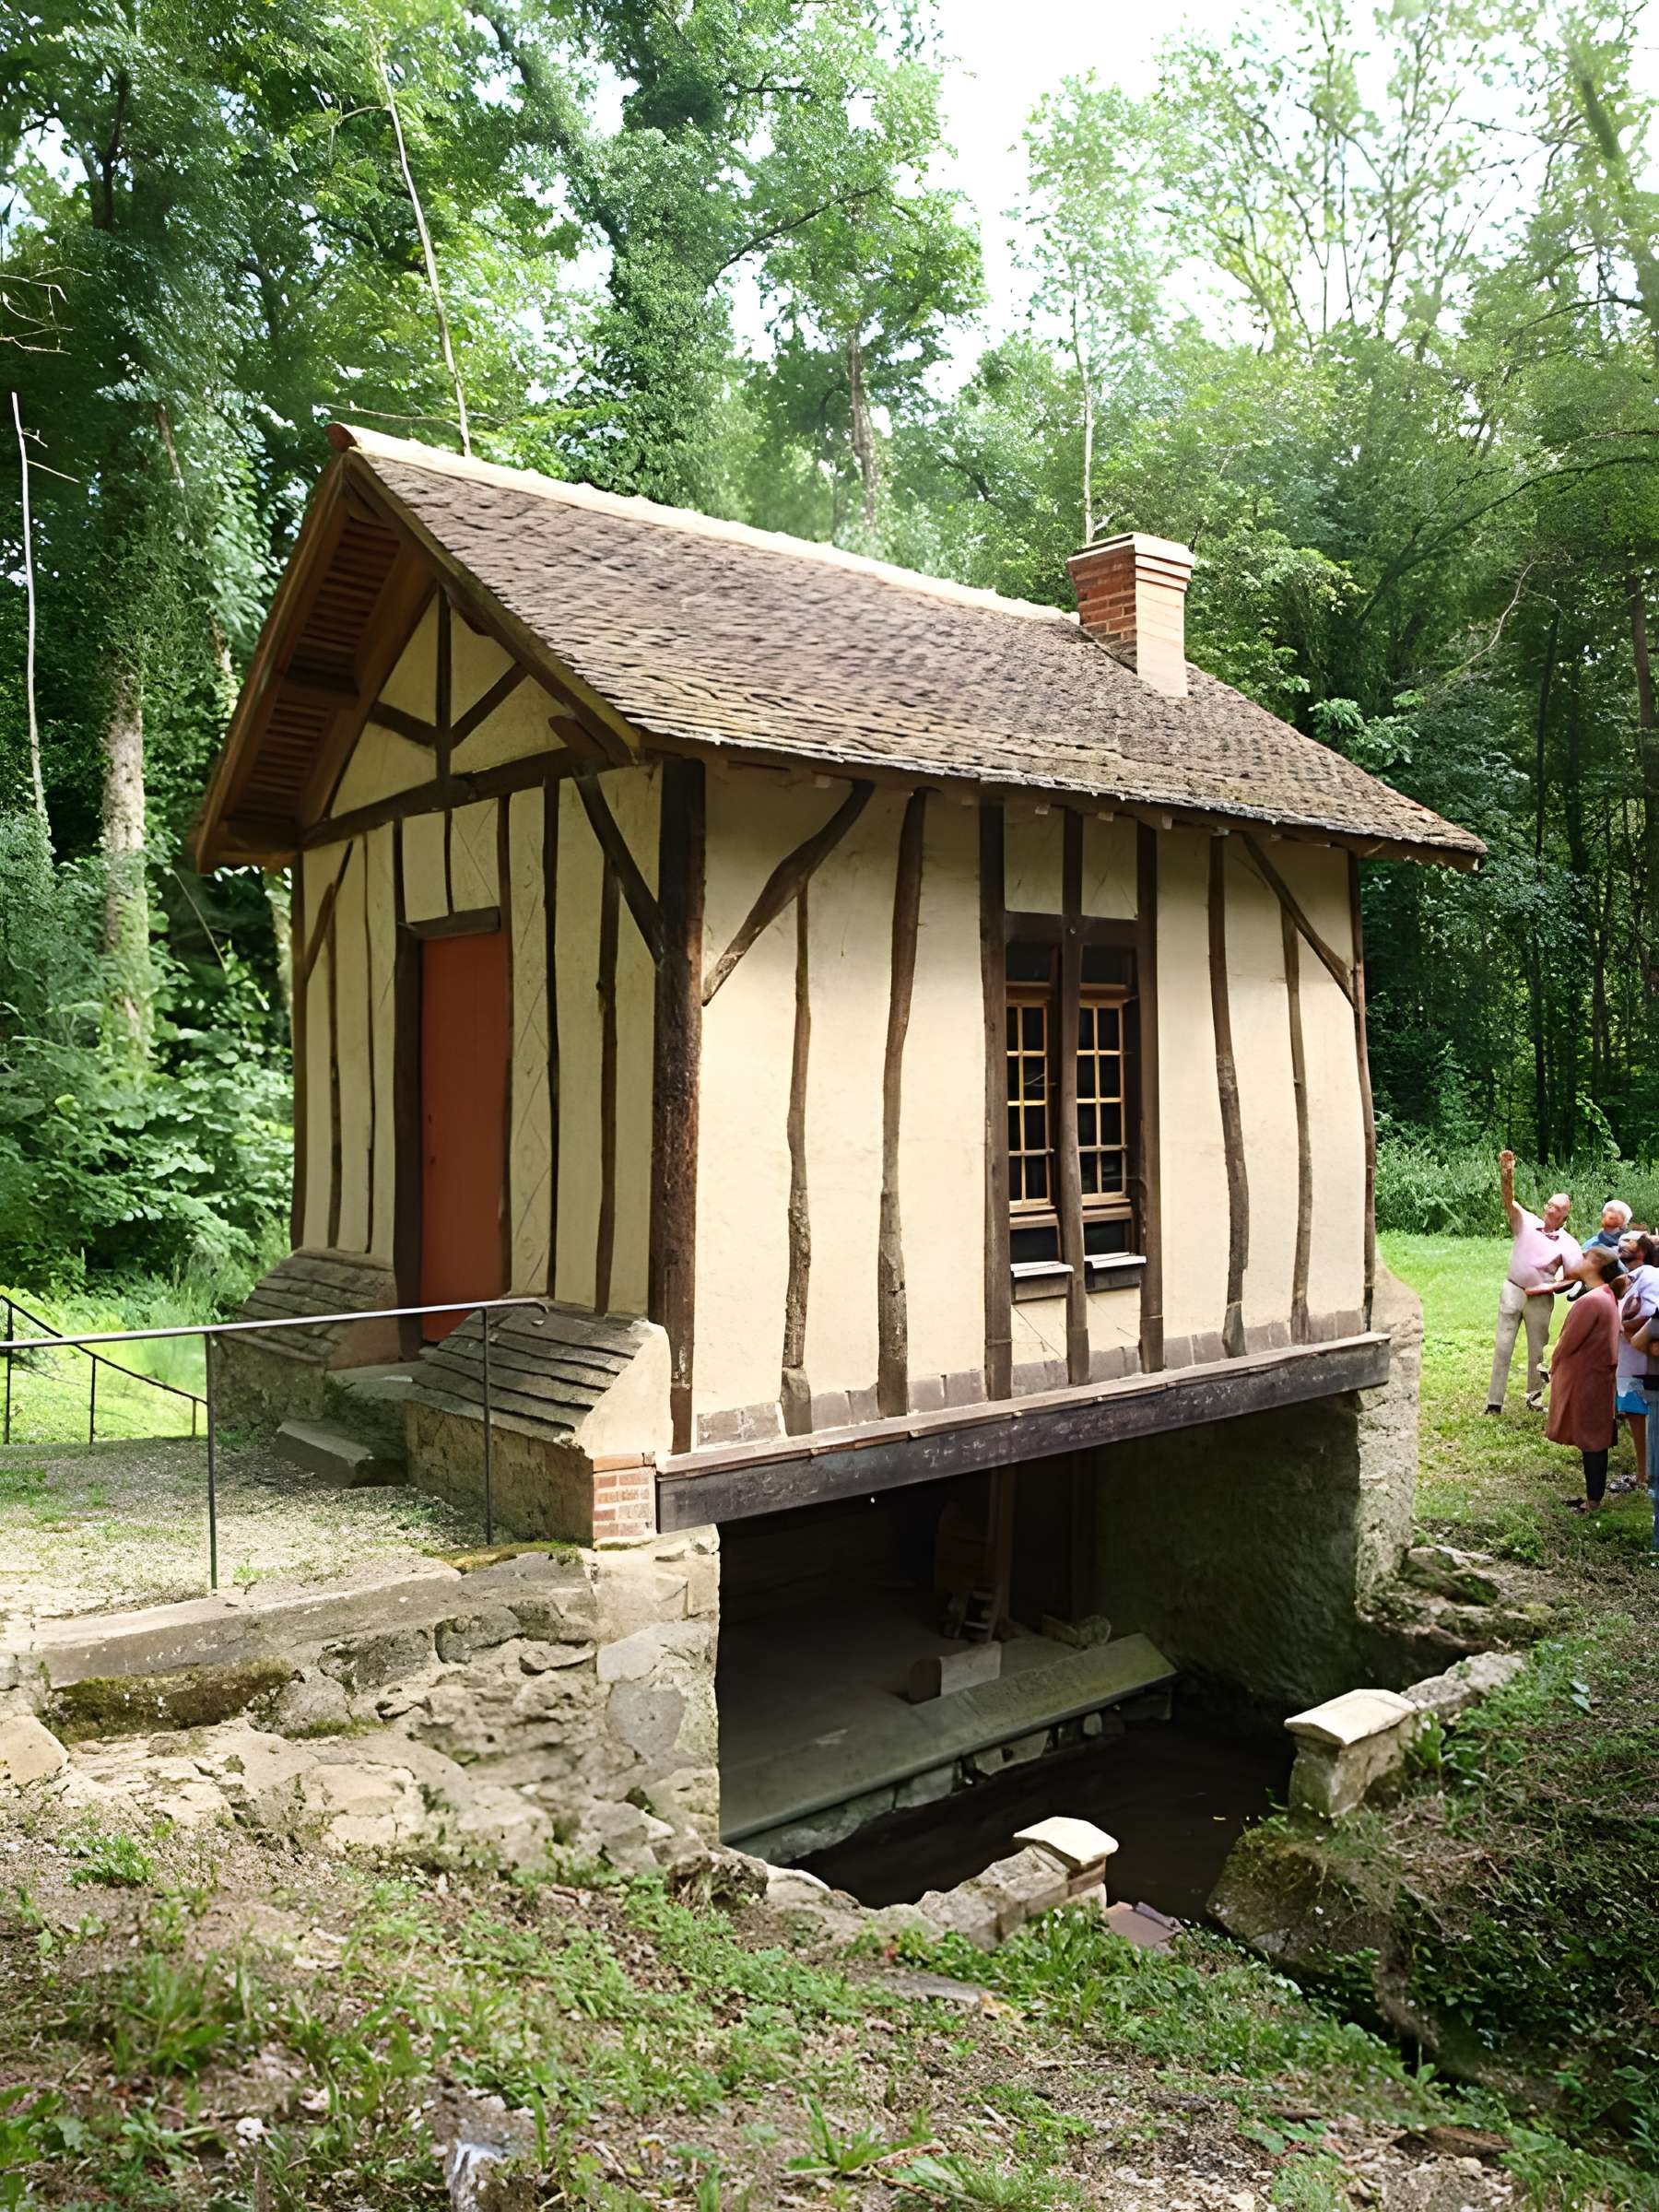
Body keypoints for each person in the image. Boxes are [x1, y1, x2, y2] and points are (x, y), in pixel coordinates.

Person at [1486, 1150, 1580, 1413]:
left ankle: (1534, 1399)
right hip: (1513, 1288)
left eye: (1557, 1208)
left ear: (1564, 1216)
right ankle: (1494, 1401)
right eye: (1549, 1204)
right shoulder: (1526, 1221)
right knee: (1503, 1344)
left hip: (1540, 1299)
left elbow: (1573, 1277)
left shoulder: (1568, 1243)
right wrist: (1507, 1173)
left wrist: (1548, 1287)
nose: (1550, 1209)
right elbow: (1508, 1200)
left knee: (1537, 1350)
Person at [1546, 1247, 1624, 1512]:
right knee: (1594, 1437)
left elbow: (1567, 1342)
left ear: (1595, 1265)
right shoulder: (1604, 1296)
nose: (1577, 1261)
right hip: (1596, 1377)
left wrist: (1553, 1363)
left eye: (1584, 1258)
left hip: (1588, 1379)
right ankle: (1593, 1499)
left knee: (1592, 1439)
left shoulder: (1592, 1301)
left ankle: (1593, 1503)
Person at [1615, 1232, 1659, 1490]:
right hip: (1632, 1360)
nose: (1624, 1247)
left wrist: (1623, 1328)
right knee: (1636, 1418)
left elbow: (1652, 1314)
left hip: (1640, 1363)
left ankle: (1646, 1474)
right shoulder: (1636, 1277)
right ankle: (1644, 1473)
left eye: (1631, 1243)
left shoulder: (1650, 1275)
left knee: (1643, 1419)